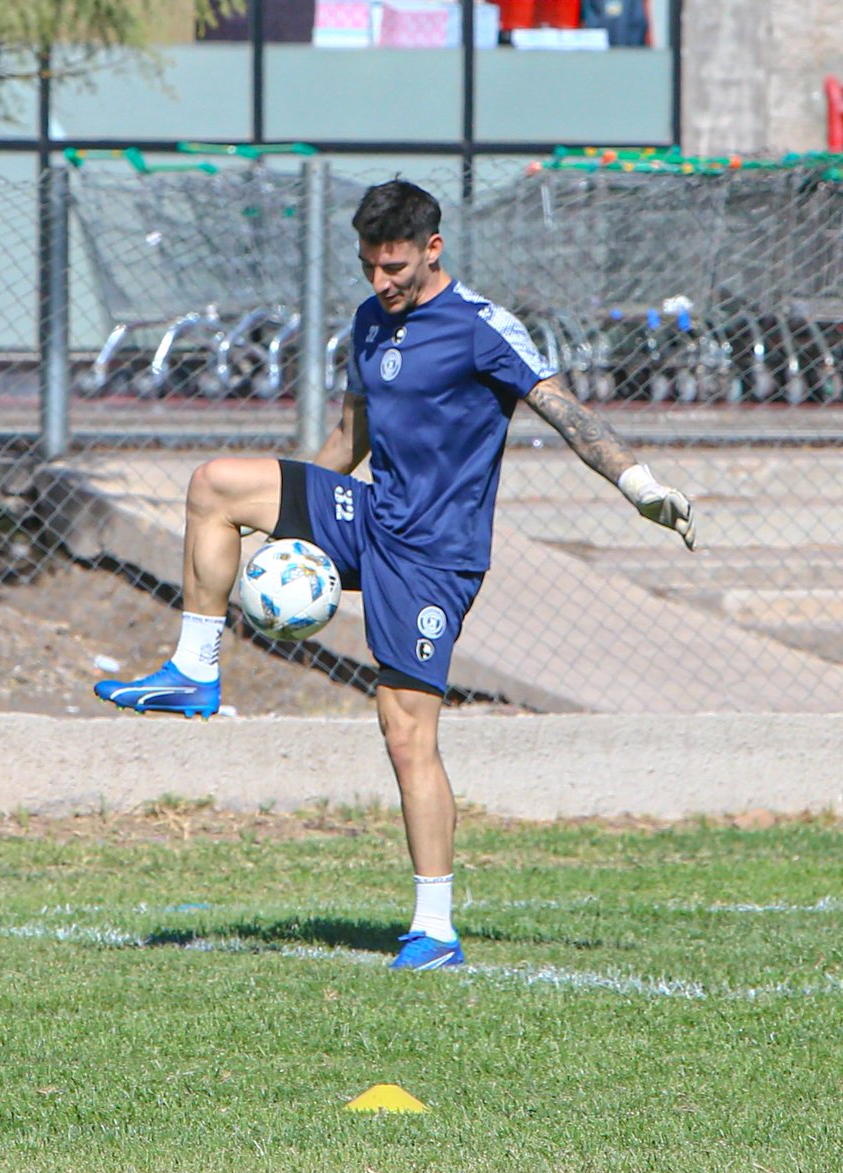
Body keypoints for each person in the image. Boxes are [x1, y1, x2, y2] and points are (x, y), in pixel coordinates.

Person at [95, 179, 695, 971]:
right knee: (215, 484)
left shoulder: (483, 328)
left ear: (433, 249)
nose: (382, 282)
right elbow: (352, 433)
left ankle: (436, 929)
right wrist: (294, 533)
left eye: (396, 266)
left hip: (433, 557)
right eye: (370, 266)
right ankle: (194, 669)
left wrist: (639, 486)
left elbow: (568, 413)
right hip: (371, 512)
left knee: (406, 735)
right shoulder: (371, 321)